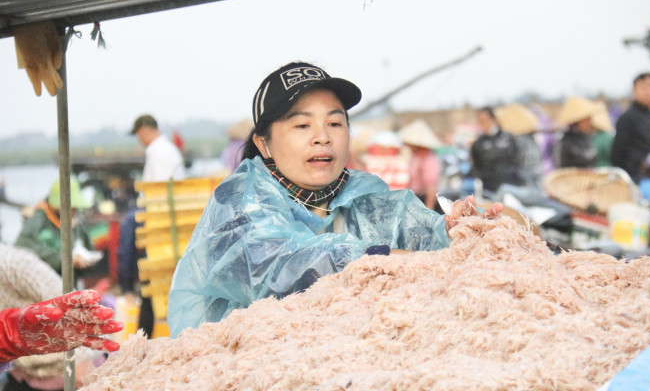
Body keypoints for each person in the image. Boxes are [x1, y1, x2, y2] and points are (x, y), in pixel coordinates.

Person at [167, 61, 502, 337]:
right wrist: (382, 258)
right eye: (301, 125)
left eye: (334, 122)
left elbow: (429, 235)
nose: (322, 138)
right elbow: (285, 269)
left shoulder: (366, 198)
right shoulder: (238, 202)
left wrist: (463, 228)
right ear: (264, 143)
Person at [0, 244, 122, 390]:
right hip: (25, 370)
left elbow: (69, 306)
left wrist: (83, 363)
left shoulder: (13, 263)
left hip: (66, 367)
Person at [117, 114, 185, 339]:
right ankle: (129, 289)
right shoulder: (168, 150)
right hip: (168, 218)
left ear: (145, 130)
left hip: (160, 220)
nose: (139, 139)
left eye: (138, 135)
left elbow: (157, 193)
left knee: (127, 225)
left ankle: (126, 288)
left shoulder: (157, 152)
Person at [14, 177, 98, 276]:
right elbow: (22, 248)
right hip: (42, 282)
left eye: (74, 206)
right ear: (55, 203)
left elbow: (90, 252)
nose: (73, 210)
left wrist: (84, 261)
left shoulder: (76, 225)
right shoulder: (37, 220)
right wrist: (65, 259)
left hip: (70, 284)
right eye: (69, 207)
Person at [611, 72, 650, 182]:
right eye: (643, 87)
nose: (647, 92)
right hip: (635, 178)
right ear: (634, 90)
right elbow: (617, 154)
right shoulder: (627, 118)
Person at [469, 106, 523, 194]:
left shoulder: (508, 138)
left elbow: (519, 159)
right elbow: (476, 166)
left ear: (494, 119)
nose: (483, 124)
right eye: (480, 122)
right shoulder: (478, 143)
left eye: (485, 120)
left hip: (512, 186)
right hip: (490, 189)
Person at [397, 119, 442, 211]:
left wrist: (429, 209)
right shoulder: (414, 156)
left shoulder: (428, 158)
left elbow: (431, 187)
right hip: (416, 197)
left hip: (425, 199)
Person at [553, 96, 600, 169]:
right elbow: (559, 166)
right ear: (578, 121)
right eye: (586, 120)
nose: (590, 123)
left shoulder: (586, 137)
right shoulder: (565, 141)